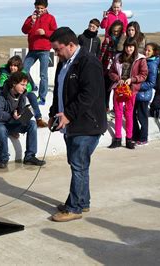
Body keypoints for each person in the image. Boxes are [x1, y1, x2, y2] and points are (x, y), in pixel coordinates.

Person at [47, 27, 107, 222]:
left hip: (87, 124)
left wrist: (69, 115)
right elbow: (59, 91)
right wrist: (53, 114)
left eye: (58, 49)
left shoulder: (89, 63)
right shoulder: (63, 63)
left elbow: (88, 95)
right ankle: (83, 201)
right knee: (79, 164)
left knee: (78, 165)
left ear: (71, 45)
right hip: (71, 123)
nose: (56, 54)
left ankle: (74, 208)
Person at [0, 71, 46, 169]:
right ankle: (3, 158)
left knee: (32, 124)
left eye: (25, 85)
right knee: (2, 129)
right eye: (22, 85)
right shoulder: (0, 94)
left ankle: (30, 156)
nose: (24, 87)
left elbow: (21, 109)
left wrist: (22, 114)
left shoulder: (22, 94)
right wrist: (11, 116)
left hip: (11, 123)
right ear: (14, 84)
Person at [108, 38, 148, 149]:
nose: (128, 49)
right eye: (127, 46)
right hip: (119, 88)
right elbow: (111, 72)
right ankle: (117, 138)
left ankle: (129, 139)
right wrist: (117, 78)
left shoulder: (140, 59)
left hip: (131, 89)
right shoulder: (117, 57)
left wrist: (132, 79)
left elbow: (144, 75)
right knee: (118, 112)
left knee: (129, 113)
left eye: (131, 46)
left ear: (135, 47)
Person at [21, 0, 58, 105]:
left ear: (46, 8)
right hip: (32, 49)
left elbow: (55, 32)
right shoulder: (30, 17)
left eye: (42, 8)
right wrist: (31, 22)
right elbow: (24, 30)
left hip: (44, 50)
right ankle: (32, 85)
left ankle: (42, 97)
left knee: (43, 75)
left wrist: (45, 32)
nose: (39, 10)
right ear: (35, 7)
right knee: (23, 70)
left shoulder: (51, 18)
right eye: (38, 8)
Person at [0, 55, 48, 128]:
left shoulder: (23, 73)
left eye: (15, 66)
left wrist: (22, 90)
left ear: (19, 67)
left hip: (21, 94)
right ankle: (14, 127)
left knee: (32, 96)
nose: (12, 67)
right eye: (11, 65)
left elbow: (29, 86)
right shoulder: (5, 72)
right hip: (9, 94)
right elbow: (2, 84)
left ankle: (38, 119)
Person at [132, 43, 160, 146]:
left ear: (154, 52)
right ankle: (135, 136)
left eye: (149, 51)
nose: (146, 52)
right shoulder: (144, 61)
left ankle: (143, 138)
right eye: (145, 50)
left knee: (142, 117)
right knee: (132, 115)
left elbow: (151, 83)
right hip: (136, 93)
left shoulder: (152, 64)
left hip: (143, 95)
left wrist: (136, 85)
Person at [99, 20, 124, 114]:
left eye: (118, 31)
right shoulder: (108, 39)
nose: (115, 32)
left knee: (118, 90)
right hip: (108, 68)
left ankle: (116, 109)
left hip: (119, 69)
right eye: (114, 30)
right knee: (107, 89)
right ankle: (106, 108)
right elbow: (101, 54)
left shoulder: (123, 40)